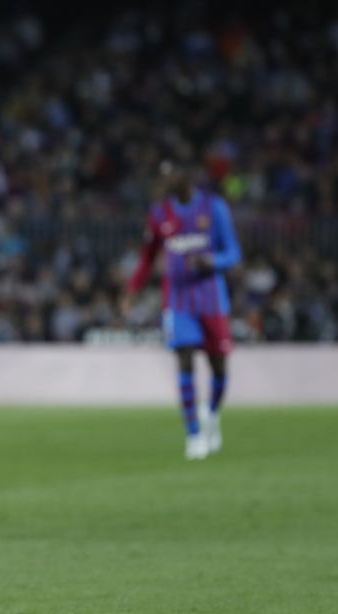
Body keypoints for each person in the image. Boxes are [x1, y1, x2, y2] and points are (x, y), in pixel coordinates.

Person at [123, 159, 242, 460]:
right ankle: (193, 434)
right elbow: (147, 257)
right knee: (185, 360)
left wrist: (211, 262)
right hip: (177, 300)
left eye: (170, 175)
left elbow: (233, 252)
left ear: (185, 177)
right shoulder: (159, 214)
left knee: (218, 366)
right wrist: (132, 290)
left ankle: (212, 415)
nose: (164, 182)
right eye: (161, 176)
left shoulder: (213, 208)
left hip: (211, 298)